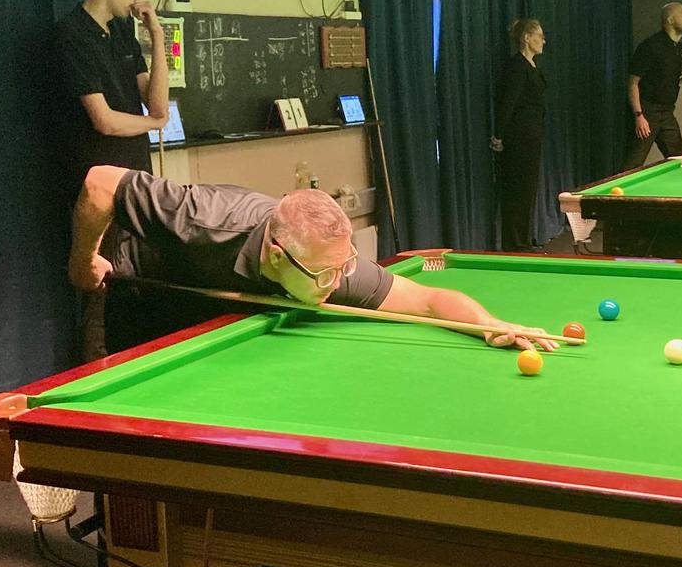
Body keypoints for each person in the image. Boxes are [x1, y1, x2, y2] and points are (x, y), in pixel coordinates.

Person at [68, 165, 558, 353]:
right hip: (136, 290)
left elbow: (428, 300)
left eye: (344, 266)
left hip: (217, 306)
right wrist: (83, 261)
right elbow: (100, 183)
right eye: (326, 274)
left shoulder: (332, 266)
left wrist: (490, 324)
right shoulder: (203, 220)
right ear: (277, 255)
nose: (339, 280)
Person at [55, 0, 170, 361]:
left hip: (137, 182)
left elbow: (157, 103)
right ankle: (95, 378)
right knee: (101, 293)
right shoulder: (71, 35)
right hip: (98, 191)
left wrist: (157, 35)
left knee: (140, 288)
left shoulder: (122, 31)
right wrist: (154, 124)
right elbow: (103, 119)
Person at [622, 2, 682, 171]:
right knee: (633, 164)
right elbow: (633, 83)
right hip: (646, 111)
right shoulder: (650, 46)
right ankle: (618, 189)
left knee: (679, 160)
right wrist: (639, 115)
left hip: (667, 112)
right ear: (670, 20)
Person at [491, 19, 547, 253]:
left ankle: (524, 239)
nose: (543, 41)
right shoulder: (516, 67)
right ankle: (515, 243)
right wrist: (499, 136)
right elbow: (507, 103)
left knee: (528, 190)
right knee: (517, 190)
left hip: (532, 136)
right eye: (539, 36)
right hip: (518, 138)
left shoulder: (532, 66)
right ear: (526, 38)